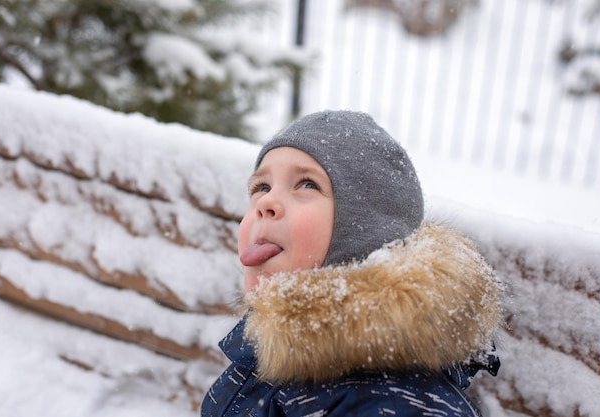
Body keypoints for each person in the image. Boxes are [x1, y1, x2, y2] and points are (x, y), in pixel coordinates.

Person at [201, 110, 504, 416]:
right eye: (261, 188)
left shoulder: (391, 401)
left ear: (365, 231)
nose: (265, 203)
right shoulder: (274, 349)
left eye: (307, 185)